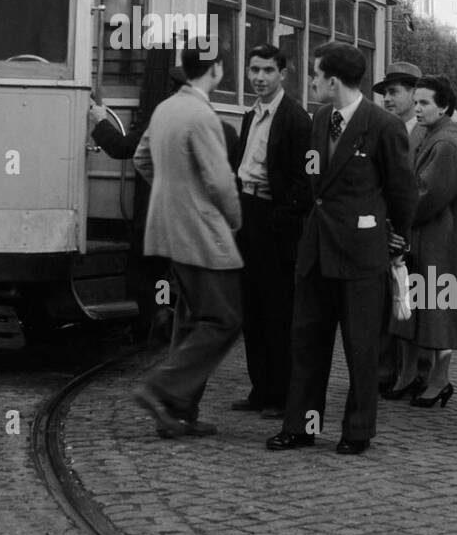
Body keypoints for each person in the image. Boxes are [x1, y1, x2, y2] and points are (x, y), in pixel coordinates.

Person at [267, 42, 418, 456]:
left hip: (360, 254)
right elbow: (315, 175)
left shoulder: (382, 126)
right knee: (307, 344)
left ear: (333, 81)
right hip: (316, 250)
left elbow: (403, 191)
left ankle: (356, 432)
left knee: (361, 348)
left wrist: (396, 235)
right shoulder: (319, 119)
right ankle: (302, 427)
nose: (312, 82)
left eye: (316, 75)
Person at [131, 49, 243, 437]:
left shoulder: (165, 108)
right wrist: (235, 220)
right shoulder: (202, 115)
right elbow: (219, 181)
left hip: (165, 228)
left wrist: (170, 195)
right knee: (224, 320)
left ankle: (178, 412)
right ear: (216, 70)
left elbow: (141, 159)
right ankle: (161, 387)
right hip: (201, 231)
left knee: (192, 318)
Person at [388, 75, 457, 407]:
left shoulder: (445, 143)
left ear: (443, 106)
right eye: (415, 102)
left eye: (425, 103)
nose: (417, 108)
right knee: (414, 310)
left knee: (437, 313)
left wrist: (395, 209)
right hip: (426, 240)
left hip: (440, 244)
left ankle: (438, 381)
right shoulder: (432, 135)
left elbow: (426, 195)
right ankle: (412, 376)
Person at [229, 44, 312, 417]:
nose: (259, 78)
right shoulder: (251, 117)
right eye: (253, 70)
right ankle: (261, 389)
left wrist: (280, 223)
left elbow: (302, 183)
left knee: (278, 310)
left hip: (273, 220)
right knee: (252, 307)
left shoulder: (296, 119)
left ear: (283, 74)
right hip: (247, 214)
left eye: (266, 71)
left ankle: (283, 394)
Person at [89, 50, 182, 342]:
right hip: (181, 213)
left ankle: (152, 320)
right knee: (165, 269)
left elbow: (124, 148)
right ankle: (165, 311)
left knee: (147, 269)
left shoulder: (161, 115)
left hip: (157, 210)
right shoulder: (195, 118)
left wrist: (100, 121)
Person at [373, 60, 427, 392]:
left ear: (412, 93)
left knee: (410, 304)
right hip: (383, 230)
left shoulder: (425, 132)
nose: (388, 99)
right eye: (385, 94)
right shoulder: (382, 129)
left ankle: (415, 371)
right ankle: (384, 371)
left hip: (410, 233)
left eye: (394, 92)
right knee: (382, 304)